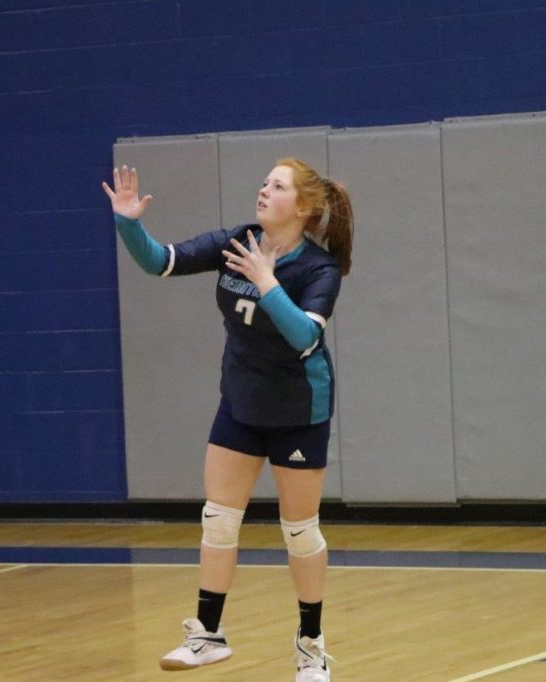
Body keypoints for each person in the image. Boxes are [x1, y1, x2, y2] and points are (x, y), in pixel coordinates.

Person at [103, 158, 353, 682]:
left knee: (299, 532)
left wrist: (266, 281)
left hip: (298, 411)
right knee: (218, 518)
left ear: (303, 207)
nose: (263, 190)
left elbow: (305, 337)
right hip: (241, 403)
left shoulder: (318, 269)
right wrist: (128, 223)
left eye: (277, 186)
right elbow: (160, 261)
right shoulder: (236, 241)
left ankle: (311, 648)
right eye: (264, 182)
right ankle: (208, 636)